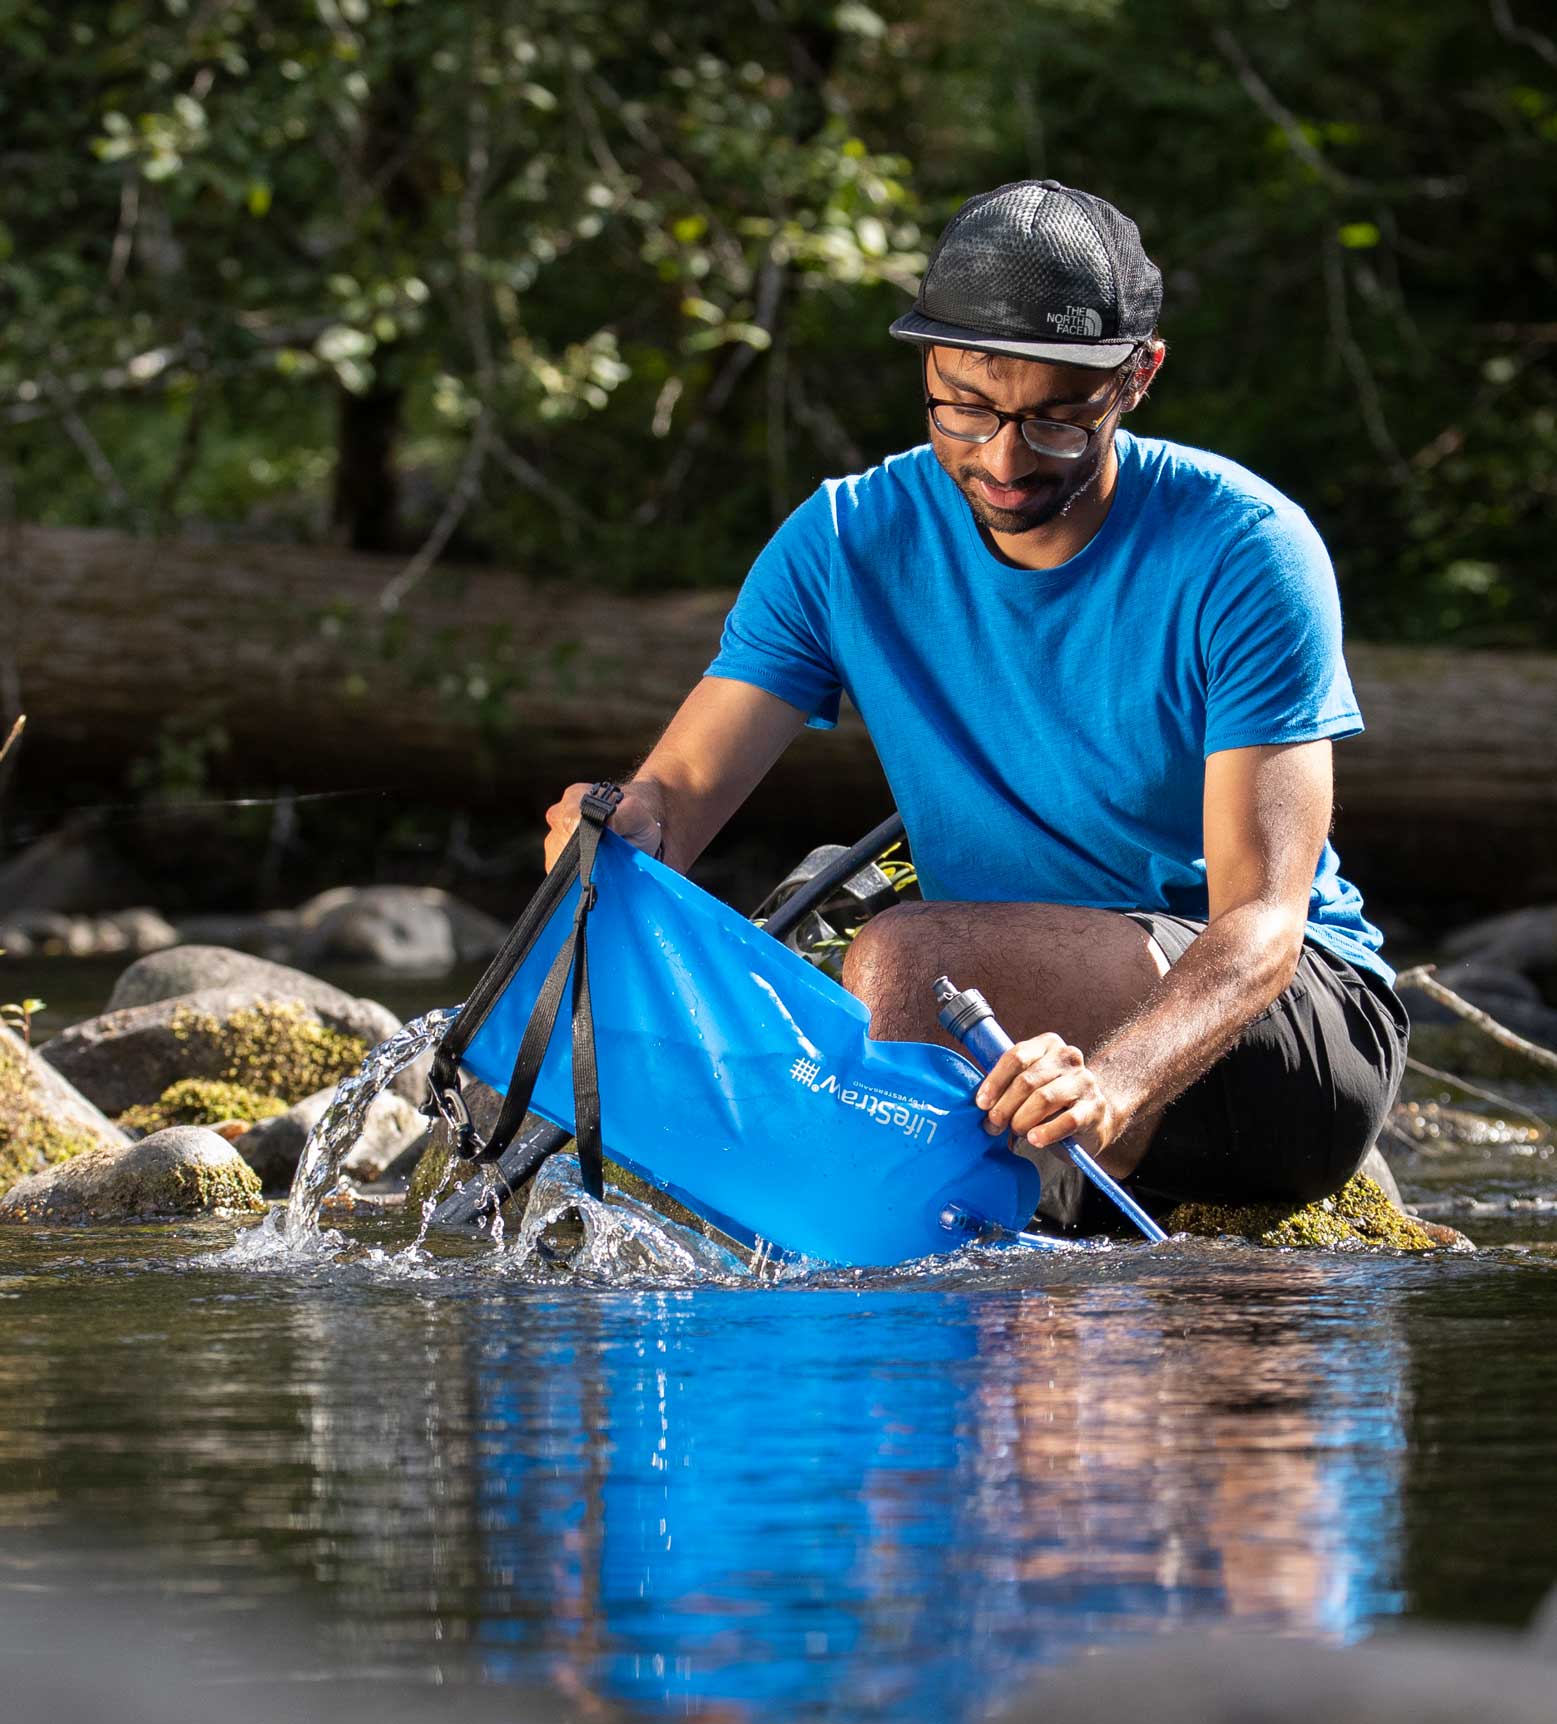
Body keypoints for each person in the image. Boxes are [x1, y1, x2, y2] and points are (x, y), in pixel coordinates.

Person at [543, 177, 1407, 1230]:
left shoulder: (1243, 548)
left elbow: (1263, 923)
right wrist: (618, 831)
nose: (1003, 458)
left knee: (905, 959)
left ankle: (908, 1288)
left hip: (1279, 1027)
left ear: (1138, 378)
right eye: (968, 408)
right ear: (927, 366)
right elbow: (675, 797)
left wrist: (1115, 1082)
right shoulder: (844, 540)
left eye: (1055, 420)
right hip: (1001, 1013)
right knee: (814, 969)